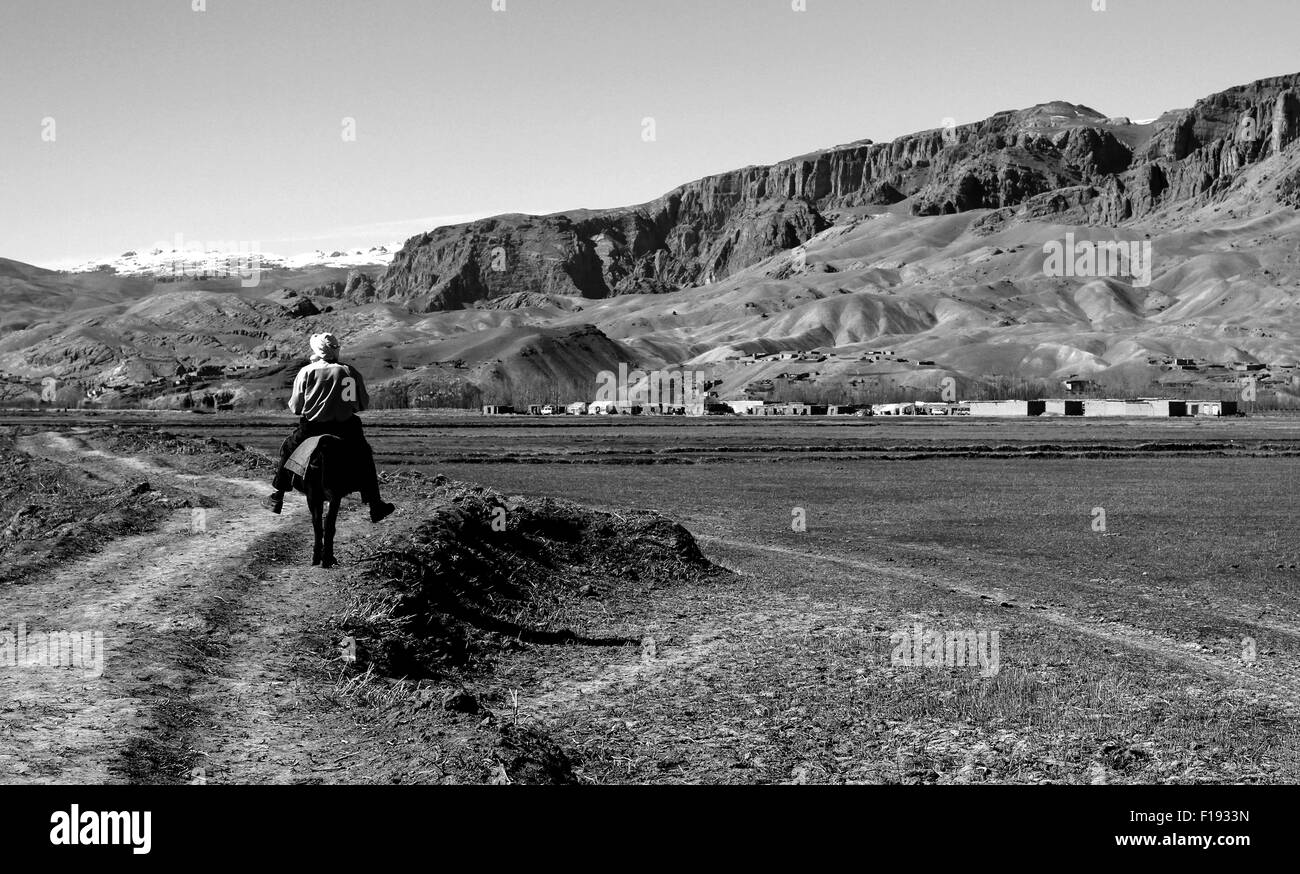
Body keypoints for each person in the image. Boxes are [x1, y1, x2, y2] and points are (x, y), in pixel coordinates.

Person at [265, 333, 396, 523]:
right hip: (345, 428)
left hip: (311, 428)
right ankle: (375, 504)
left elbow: (295, 407)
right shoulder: (348, 372)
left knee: (288, 448)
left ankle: (278, 494)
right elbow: (358, 405)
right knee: (365, 455)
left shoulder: (307, 372)